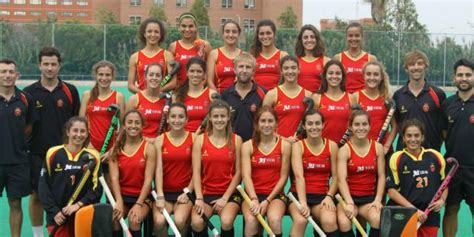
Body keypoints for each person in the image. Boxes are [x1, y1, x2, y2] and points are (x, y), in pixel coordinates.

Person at [23, 46, 80, 237]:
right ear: (39, 65)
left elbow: (76, 122)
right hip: (37, 153)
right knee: (37, 195)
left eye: (53, 64)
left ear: (59, 65)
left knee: (66, 195)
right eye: (45, 64)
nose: (49, 68)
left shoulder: (70, 91)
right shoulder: (28, 93)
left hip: (65, 154)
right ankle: (38, 234)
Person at [38, 117, 101, 237]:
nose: (79, 135)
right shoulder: (53, 153)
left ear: (87, 134)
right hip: (58, 217)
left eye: (83, 131)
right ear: (68, 132)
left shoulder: (93, 157)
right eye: (75, 130)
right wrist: (54, 211)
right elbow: (44, 187)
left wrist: (78, 205)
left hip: (82, 215)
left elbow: (97, 189)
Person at [386, 119, 447, 237]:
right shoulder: (396, 158)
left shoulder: (435, 156)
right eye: (409, 136)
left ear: (422, 137)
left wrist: (442, 200)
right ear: (403, 138)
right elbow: (391, 191)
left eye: (416, 135)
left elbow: (444, 184)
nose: (413, 139)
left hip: (430, 215)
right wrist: (414, 211)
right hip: (405, 213)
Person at [191, 99, 242, 237]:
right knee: (196, 222)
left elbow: (238, 173)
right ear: (210, 118)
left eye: (222, 116)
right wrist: (199, 198)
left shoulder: (236, 140)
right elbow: (196, 172)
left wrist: (225, 198)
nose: (219, 119)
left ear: (228, 118)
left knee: (226, 221)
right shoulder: (200, 140)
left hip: (229, 194)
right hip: (206, 193)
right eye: (216, 116)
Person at [0, 59, 37, 237]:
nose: (7, 75)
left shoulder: (25, 99)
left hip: (18, 163)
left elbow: (29, 128)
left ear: (17, 75)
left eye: (10, 72)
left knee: (15, 203)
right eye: (3, 71)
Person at [241, 106, 291, 237]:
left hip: (274, 196)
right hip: (252, 195)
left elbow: (284, 177)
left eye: (270, 121)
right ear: (256, 124)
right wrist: (254, 199)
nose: (267, 124)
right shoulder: (247, 146)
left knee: (274, 220)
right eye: (263, 121)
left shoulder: (284, 146)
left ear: (276, 123)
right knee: (252, 220)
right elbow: (246, 176)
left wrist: (267, 200)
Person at [289, 109, 339, 237]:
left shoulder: (332, 146)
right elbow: (299, 177)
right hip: (298, 197)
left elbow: (336, 176)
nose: (314, 127)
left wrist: (329, 196)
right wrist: (303, 203)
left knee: (329, 221)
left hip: (321, 197)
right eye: (310, 124)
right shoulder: (298, 146)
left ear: (323, 125)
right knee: (300, 221)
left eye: (317, 123)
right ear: (304, 126)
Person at [337, 110, 385, 237]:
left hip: (368, 199)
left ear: (370, 126)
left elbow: (381, 176)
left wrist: (378, 200)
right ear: (350, 127)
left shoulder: (377, 148)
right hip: (348, 198)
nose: (361, 128)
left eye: (364, 124)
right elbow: (341, 180)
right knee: (344, 222)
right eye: (357, 125)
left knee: (377, 218)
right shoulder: (344, 150)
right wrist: (349, 203)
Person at [108, 110, 157, 237]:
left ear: (142, 126)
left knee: (134, 220)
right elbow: (114, 178)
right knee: (115, 219)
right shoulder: (115, 149)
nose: (133, 126)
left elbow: (148, 179)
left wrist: (138, 204)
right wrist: (118, 201)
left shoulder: (149, 148)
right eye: (129, 122)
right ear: (123, 125)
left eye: (137, 123)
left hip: (142, 197)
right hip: (122, 197)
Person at [441, 58, 474, 237]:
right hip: (452, 168)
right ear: (454, 77)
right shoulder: (447, 104)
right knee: (451, 209)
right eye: (460, 75)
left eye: (468, 75)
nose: (464, 78)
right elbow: (444, 133)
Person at [153, 103, 194, 236]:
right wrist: (160, 195)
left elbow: (197, 171)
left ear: (186, 119)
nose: (177, 120)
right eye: (173, 117)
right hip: (164, 193)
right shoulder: (160, 140)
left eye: (181, 117)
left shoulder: (194, 139)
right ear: (168, 119)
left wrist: (188, 192)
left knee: (179, 221)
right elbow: (158, 169)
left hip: (184, 193)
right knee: (159, 222)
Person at [393, 50, 446, 151]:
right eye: (412, 64)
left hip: (430, 154)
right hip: (404, 154)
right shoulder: (398, 96)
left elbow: (443, 128)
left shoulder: (438, 94)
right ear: (406, 68)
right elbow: (395, 126)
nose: (416, 67)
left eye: (420, 63)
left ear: (425, 66)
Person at [263, 55, 312, 141]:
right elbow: (262, 125)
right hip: (278, 145)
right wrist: (284, 139)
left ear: (298, 70)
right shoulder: (272, 94)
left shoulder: (308, 95)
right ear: (281, 71)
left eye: (293, 68)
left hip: (301, 146)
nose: (290, 71)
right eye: (286, 68)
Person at [79, 60, 125, 152]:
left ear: (112, 76)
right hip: (90, 147)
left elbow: (123, 126)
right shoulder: (87, 95)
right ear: (96, 76)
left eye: (107, 75)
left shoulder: (118, 97)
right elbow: (81, 123)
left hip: (111, 149)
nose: (104, 78)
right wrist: (87, 143)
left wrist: (114, 147)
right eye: (101, 74)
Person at [353, 61, 397, 154]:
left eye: (376, 74)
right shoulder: (355, 97)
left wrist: (386, 146)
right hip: (362, 150)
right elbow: (350, 126)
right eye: (368, 74)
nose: (372, 78)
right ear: (363, 76)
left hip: (382, 151)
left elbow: (394, 126)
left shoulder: (387, 99)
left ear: (381, 77)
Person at [222, 52, 266, 141]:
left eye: (248, 67)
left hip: (256, 144)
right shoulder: (225, 95)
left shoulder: (263, 94)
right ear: (234, 69)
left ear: (253, 71)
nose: (244, 70)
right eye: (241, 66)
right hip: (232, 144)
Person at [312, 60, 356, 144]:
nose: (334, 76)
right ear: (325, 75)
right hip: (323, 147)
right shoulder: (317, 98)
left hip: (345, 147)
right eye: (331, 73)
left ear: (342, 76)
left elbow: (354, 127)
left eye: (338, 73)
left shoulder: (351, 98)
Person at [127, 17, 175, 93]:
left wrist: (158, 91)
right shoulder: (135, 57)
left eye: (156, 32)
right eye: (149, 31)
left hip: (161, 100)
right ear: (144, 34)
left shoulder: (167, 55)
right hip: (142, 102)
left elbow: (173, 82)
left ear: (160, 35)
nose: (153, 34)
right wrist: (144, 95)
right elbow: (130, 85)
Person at [173, 57, 217, 133]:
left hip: (204, 139)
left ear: (204, 74)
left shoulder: (212, 95)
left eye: (199, 71)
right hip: (183, 139)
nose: (195, 74)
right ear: (187, 73)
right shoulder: (177, 95)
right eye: (192, 71)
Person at [169, 12, 211, 86]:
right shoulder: (173, 46)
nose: (187, 29)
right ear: (179, 27)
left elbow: (210, 73)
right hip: (179, 93)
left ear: (196, 27)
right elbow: (170, 74)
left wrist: (200, 89)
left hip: (198, 92)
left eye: (191, 26)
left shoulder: (205, 46)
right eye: (184, 26)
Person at [333, 22, 377, 93]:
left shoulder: (371, 59)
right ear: (346, 37)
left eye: (357, 35)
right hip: (344, 99)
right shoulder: (338, 58)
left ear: (362, 37)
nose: (353, 38)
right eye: (350, 35)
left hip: (363, 100)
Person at [127, 63, 166, 139]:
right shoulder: (134, 99)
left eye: (158, 75)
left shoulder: (167, 100)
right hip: (140, 143)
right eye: (151, 75)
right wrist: (147, 140)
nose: (154, 78)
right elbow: (127, 127)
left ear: (162, 78)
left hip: (160, 145)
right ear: (145, 77)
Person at [250, 19, 288, 90]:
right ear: (258, 36)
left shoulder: (283, 55)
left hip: (276, 97)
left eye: (268, 33)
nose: (265, 36)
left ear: (274, 34)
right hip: (256, 97)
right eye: (262, 34)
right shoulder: (252, 55)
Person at [207, 20, 242, 93]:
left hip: (239, 98)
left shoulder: (244, 55)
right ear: (222, 34)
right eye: (227, 31)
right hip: (219, 98)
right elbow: (209, 80)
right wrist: (217, 98)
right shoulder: (214, 54)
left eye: (234, 32)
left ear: (239, 34)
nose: (230, 35)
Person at [295, 24, 330, 93]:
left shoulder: (326, 61)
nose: (309, 40)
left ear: (317, 39)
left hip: (318, 100)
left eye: (312, 37)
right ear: (301, 40)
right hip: (298, 101)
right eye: (305, 37)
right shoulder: (295, 61)